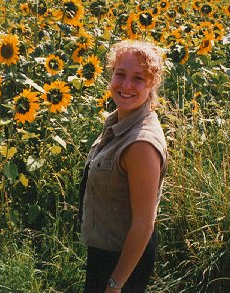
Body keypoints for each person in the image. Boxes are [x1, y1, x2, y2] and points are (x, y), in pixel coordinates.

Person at [78, 40, 168, 293]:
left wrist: (115, 284)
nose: (126, 85)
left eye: (138, 78)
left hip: (121, 258)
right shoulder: (121, 122)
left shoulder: (140, 144)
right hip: (108, 250)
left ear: (152, 85)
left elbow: (143, 224)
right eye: (120, 74)